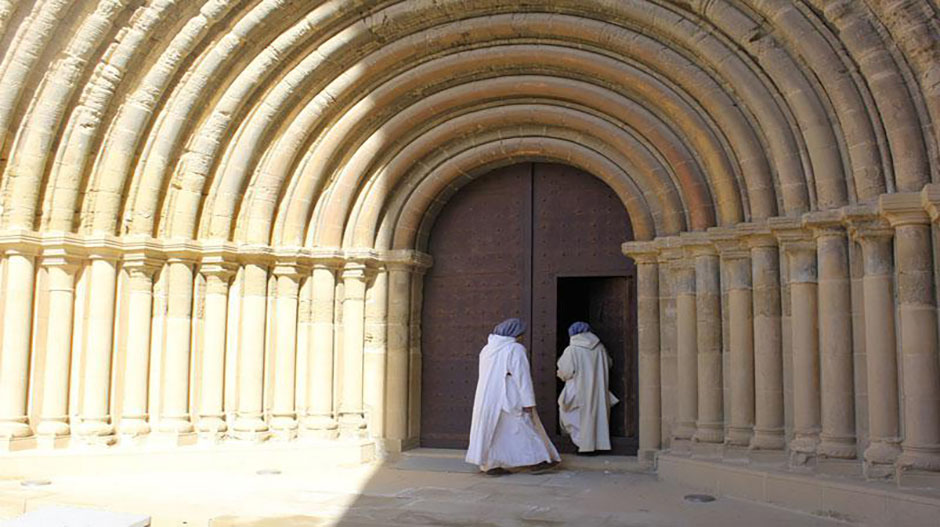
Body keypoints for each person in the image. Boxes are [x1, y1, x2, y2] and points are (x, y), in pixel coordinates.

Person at [465, 318, 561, 475]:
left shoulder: (487, 349)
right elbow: (522, 377)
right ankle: (538, 460)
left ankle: (490, 464)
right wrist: (528, 401)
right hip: (509, 397)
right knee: (522, 428)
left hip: (488, 398)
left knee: (494, 432)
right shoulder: (515, 349)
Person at [557, 321, 619, 454]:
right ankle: (596, 445)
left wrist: (560, 374)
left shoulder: (572, 349)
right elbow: (609, 364)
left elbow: (566, 371)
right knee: (596, 415)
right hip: (598, 389)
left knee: (570, 415)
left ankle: (583, 445)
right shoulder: (600, 348)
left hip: (576, 388)